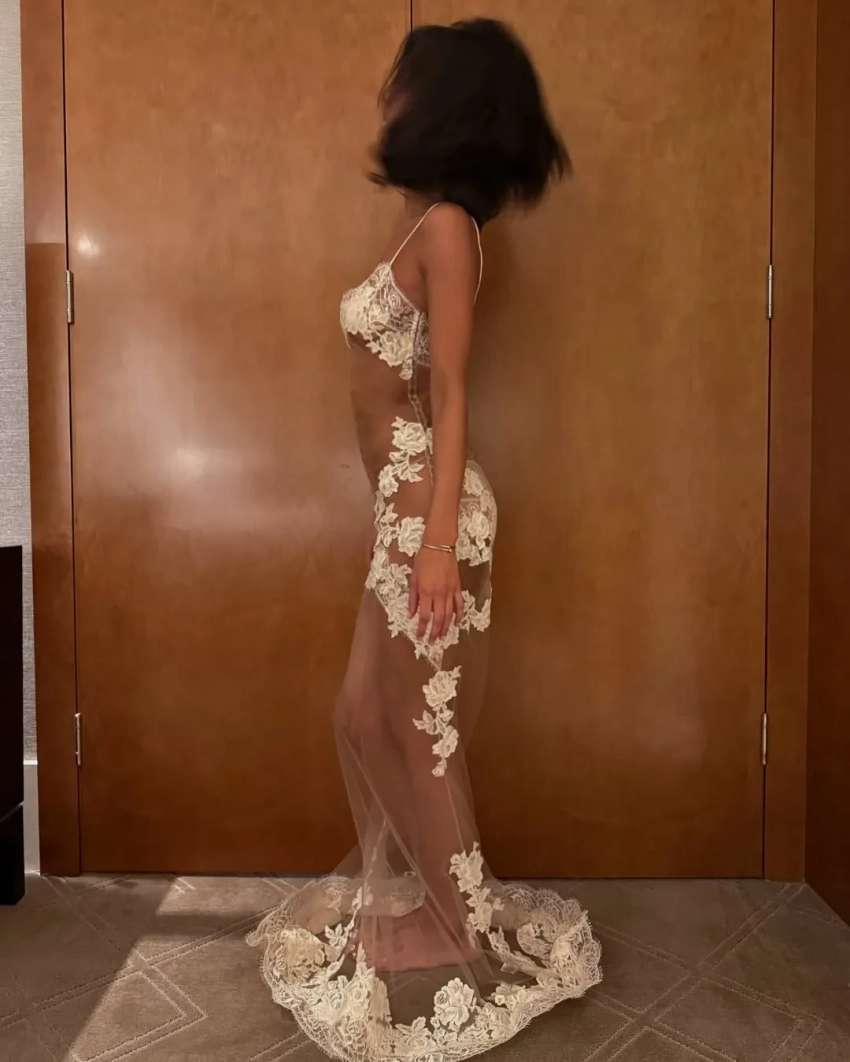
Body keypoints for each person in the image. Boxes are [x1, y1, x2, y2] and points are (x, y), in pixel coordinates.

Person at [249, 18, 601, 1061]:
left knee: (416, 730)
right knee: (367, 718)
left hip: (429, 514)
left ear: (444, 102)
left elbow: (449, 391)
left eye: (405, 83)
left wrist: (437, 543)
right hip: (399, 513)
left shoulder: (447, 227)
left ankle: (455, 930)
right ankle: (446, 905)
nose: (387, 95)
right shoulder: (420, 220)